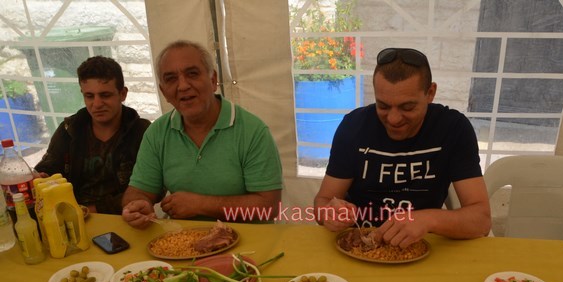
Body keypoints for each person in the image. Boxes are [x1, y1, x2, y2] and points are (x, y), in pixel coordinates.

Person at [314, 47, 491, 247]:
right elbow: (323, 201)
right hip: (359, 243)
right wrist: (330, 213)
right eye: (383, 106)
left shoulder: (453, 128)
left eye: (407, 107)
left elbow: (481, 221)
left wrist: (428, 219)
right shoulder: (354, 126)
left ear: (430, 93)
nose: (394, 119)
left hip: (422, 244)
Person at [121, 40, 282, 229]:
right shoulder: (157, 133)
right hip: (180, 244)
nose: (182, 86)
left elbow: (269, 207)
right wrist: (137, 206)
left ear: (213, 80)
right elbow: (137, 193)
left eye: (192, 74)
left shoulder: (252, 131)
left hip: (248, 246)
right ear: (163, 91)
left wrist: (200, 205)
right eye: (171, 78)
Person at [35, 56, 151, 214]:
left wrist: (94, 209)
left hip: (126, 216)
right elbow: (48, 169)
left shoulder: (143, 132)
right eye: (89, 96)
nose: (96, 104)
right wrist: (41, 178)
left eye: (105, 95)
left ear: (122, 94)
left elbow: (149, 188)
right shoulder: (69, 129)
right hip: (74, 217)